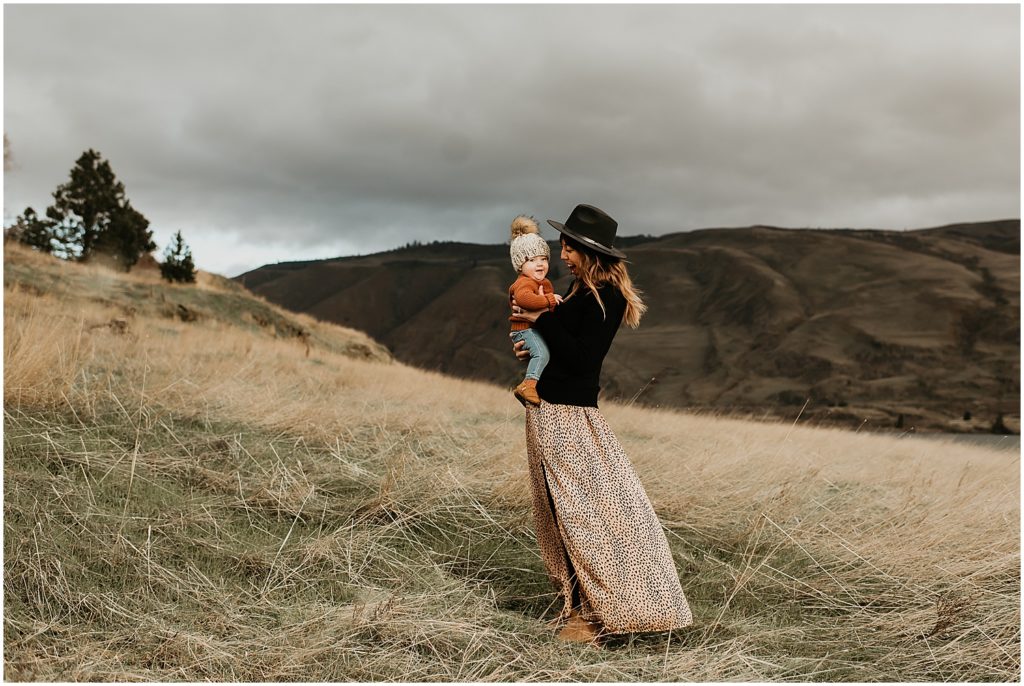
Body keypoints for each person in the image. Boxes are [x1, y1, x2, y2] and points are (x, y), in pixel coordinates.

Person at [510, 203, 693, 644]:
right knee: (561, 514)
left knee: (583, 515)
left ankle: (601, 615)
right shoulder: (578, 290)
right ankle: (580, 608)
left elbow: (581, 358)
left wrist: (542, 320)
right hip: (551, 409)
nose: (562, 255)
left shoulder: (604, 297)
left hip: (570, 416)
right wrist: (536, 343)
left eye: (568, 248)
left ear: (585, 251)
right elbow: (562, 347)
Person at [507, 215, 562, 407]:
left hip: (534, 329)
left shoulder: (542, 282)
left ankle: (531, 384)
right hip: (524, 330)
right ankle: (528, 385)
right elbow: (525, 300)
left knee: (544, 353)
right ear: (520, 265)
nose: (539, 264)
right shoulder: (524, 283)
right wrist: (549, 300)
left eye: (543, 259)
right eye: (531, 260)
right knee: (541, 354)